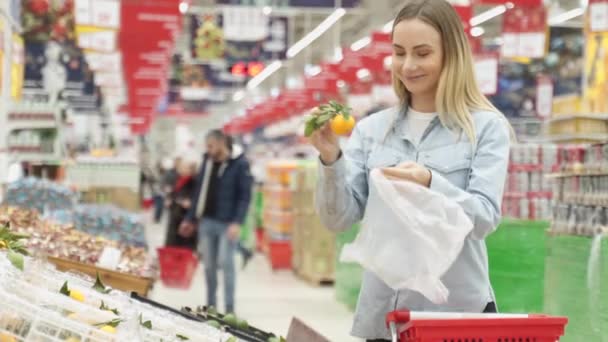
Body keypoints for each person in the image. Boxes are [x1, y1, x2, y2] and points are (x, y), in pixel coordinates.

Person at [310, 0, 512, 340]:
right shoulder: (373, 130)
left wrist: (432, 183)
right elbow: (338, 219)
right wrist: (331, 160)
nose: (408, 65)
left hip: (454, 319)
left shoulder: (485, 128)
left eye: (422, 53)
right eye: (399, 52)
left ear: (451, 55)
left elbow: (484, 219)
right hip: (384, 318)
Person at [180, 130, 253, 314]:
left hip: (227, 224)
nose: (209, 150)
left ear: (222, 143)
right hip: (206, 222)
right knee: (209, 266)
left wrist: (237, 222)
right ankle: (211, 306)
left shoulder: (240, 164)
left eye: (211, 146)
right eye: (207, 146)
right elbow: (199, 193)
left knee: (226, 263)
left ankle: (229, 308)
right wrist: (190, 218)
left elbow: (245, 196)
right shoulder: (207, 161)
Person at [165, 158, 198, 249]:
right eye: (181, 167)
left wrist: (189, 202)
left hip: (186, 219)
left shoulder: (194, 182)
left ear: (191, 169)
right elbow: (174, 194)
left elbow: (195, 199)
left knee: (184, 246)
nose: (181, 169)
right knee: (172, 244)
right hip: (175, 216)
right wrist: (169, 199)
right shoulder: (178, 180)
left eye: (184, 167)